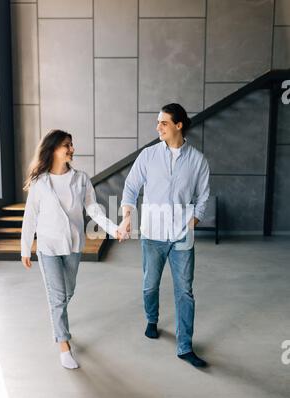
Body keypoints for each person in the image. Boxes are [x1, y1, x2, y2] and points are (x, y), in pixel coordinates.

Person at [21, 129, 126, 369]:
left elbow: (94, 210)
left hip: (73, 245)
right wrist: (25, 248)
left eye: (71, 144)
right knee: (58, 298)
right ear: (53, 149)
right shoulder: (40, 182)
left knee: (67, 292)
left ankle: (59, 324)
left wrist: (114, 229)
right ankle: (63, 344)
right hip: (47, 247)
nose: (71, 149)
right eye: (66, 145)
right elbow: (30, 217)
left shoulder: (80, 179)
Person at [120, 103, 210, 368]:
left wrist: (192, 221)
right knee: (150, 285)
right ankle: (152, 319)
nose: (157, 127)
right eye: (158, 122)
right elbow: (130, 187)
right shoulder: (148, 156)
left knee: (185, 291)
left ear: (178, 125)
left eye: (163, 123)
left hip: (182, 235)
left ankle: (185, 347)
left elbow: (203, 196)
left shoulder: (198, 161)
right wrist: (127, 217)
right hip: (152, 234)